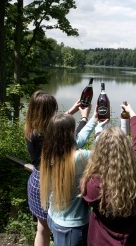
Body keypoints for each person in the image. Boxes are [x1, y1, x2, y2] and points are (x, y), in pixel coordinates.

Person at [24, 90, 91, 246]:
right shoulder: (47, 136)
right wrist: (84, 118)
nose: (56, 112)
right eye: (53, 110)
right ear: (47, 112)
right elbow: (72, 142)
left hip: (35, 180)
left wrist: (70, 112)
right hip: (48, 184)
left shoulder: (31, 128)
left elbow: (53, 127)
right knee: (57, 229)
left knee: (42, 229)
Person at [80, 103, 136, 246]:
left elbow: (86, 197)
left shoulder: (95, 183)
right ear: (126, 148)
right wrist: (132, 114)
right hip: (132, 240)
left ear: (100, 151)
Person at [39, 110, 106, 246]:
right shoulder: (80, 157)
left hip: (54, 216)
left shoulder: (48, 154)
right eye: (73, 130)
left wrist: (93, 120)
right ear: (68, 134)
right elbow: (102, 154)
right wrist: (99, 130)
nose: (75, 131)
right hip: (72, 227)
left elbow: (78, 140)